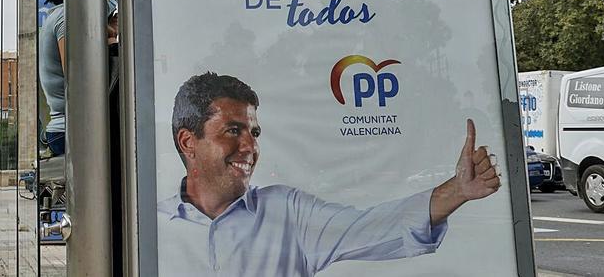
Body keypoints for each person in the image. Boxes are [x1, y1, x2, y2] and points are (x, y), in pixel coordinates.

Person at [159, 72, 501, 276]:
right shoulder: (148, 227)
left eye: (255, 133)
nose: (250, 146)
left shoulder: (286, 211)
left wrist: (458, 190)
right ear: (189, 141)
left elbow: (373, 228)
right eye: (233, 130)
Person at [36, 0, 117, 156]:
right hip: (72, 129)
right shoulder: (67, 17)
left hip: (66, 128)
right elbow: (74, 73)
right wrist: (112, 40)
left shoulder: (59, 16)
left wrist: (108, 31)